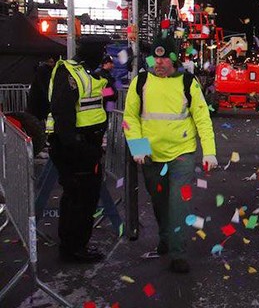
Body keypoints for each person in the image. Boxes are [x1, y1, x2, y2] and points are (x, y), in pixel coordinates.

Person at [123, 35, 217, 274]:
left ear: (175, 59)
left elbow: (202, 118)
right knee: (159, 201)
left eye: (165, 58)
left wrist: (209, 152)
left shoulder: (188, 82)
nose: (160, 63)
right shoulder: (140, 82)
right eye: (156, 57)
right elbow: (130, 117)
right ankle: (166, 237)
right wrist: (139, 148)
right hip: (152, 155)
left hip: (182, 155)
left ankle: (178, 253)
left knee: (179, 203)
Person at [46, 41, 109, 263]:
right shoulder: (70, 73)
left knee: (81, 197)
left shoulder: (85, 72)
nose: (104, 57)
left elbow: (99, 97)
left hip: (83, 147)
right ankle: (74, 248)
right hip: (75, 149)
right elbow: (64, 115)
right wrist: (77, 147)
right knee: (79, 199)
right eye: (102, 52)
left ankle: (75, 245)